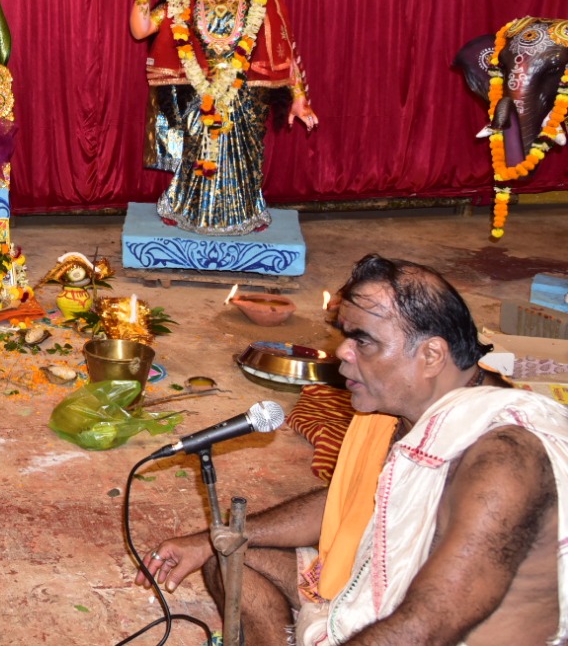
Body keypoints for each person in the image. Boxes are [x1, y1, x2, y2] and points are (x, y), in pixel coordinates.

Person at [138, 255, 568, 645]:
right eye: (346, 336)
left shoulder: (505, 458)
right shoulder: (396, 409)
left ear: (432, 355)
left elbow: (426, 627)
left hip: (434, 632)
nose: (341, 351)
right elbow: (353, 500)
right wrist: (213, 537)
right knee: (228, 558)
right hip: (377, 597)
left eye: (364, 341)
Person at [127, 0, 318, 235]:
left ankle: (246, 212)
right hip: (198, 93)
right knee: (195, 152)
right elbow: (141, 30)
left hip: (245, 96)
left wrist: (299, 98)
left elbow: (286, 51)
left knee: (242, 157)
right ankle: (185, 209)